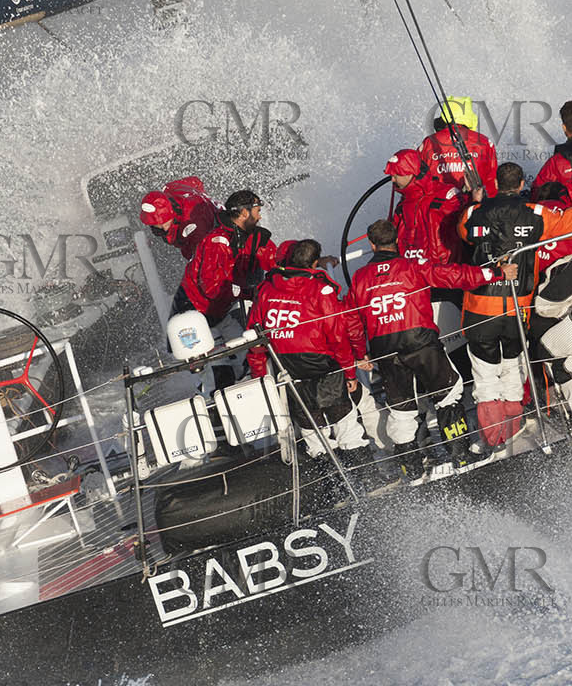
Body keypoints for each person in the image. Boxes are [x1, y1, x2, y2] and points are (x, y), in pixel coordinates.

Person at [458, 162, 572, 447]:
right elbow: (571, 222)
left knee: (485, 377)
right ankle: (514, 424)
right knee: (512, 368)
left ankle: (495, 437)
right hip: (516, 308)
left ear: (496, 185)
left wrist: (476, 202)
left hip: (479, 309)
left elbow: (464, 230)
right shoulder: (535, 215)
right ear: (522, 185)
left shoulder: (474, 215)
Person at [343, 219, 516, 476]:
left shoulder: (359, 277)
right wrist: (496, 273)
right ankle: (460, 455)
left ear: (371, 244)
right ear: (397, 241)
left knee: (401, 409)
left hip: (384, 347)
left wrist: (360, 353)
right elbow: (453, 275)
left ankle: (411, 470)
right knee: (448, 392)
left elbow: (351, 318)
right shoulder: (412, 266)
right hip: (419, 339)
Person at [246, 239, 374, 472]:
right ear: (314, 263)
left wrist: (260, 379)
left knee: (312, 431)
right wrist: (350, 372)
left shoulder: (266, 289)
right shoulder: (320, 289)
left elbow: (254, 340)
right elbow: (337, 336)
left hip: (288, 370)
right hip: (322, 366)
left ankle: (333, 491)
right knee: (345, 423)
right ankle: (365, 479)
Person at [175, 190, 279, 326]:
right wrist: (250, 293)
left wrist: (300, 265)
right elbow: (211, 287)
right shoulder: (217, 242)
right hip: (197, 311)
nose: (259, 217)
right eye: (257, 211)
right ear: (244, 214)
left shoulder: (255, 238)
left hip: (225, 309)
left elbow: (276, 260)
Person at [386, 149, 465, 265]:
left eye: (395, 175)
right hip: (410, 275)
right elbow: (390, 238)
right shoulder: (402, 204)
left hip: (444, 273)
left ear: (409, 173)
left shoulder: (448, 195)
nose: (392, 180)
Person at [420, 96, 499, 199]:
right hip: (474, 206)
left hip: (438, 208)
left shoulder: (429, 142)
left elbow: (418, 178)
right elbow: (492, 180)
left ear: (443, 117)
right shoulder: (484, 142)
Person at [138, 177, 220, 261]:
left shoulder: (194, 225)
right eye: (156, 226)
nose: (164, 228)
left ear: (171, 213)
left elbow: (202, 262)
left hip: (221, 230)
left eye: (165, 223)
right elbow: (195, 181)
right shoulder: (171, 188)